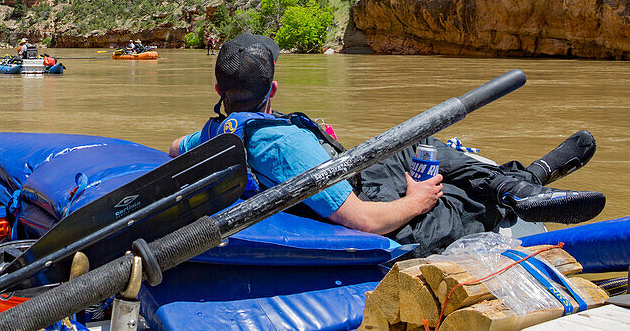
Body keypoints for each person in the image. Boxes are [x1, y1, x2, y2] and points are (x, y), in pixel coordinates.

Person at [171, 33, 605, 256]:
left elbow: (175, 147)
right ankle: (526, 181)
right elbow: (363, 222)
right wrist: (415, 201)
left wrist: (314, 143)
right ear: (274, 88)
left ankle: (521, 184)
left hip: (340, 177)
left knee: (417, 140)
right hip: (379, 216)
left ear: (220, 89)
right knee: (461, 193)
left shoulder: (216, 133)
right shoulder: (281, 145)